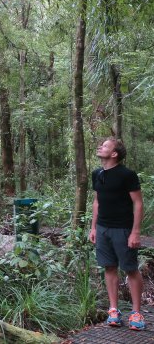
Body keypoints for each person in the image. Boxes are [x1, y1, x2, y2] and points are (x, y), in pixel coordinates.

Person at [88, 137, 145, 330]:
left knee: (130, 268)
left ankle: (136, 313)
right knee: (109, 267)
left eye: (104, 146)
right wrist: (93, 227)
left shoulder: (127, 175)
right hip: (103, 229)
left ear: (114, 154)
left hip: (123, 228)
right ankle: (114, 310)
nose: (100, 147)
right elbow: (97, 202)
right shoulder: (97, 174)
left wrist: (135, 232)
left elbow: (138, 203)